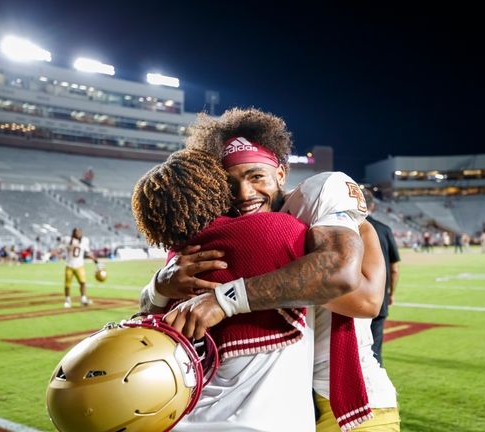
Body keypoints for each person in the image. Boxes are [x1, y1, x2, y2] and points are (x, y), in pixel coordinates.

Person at [142, 108, 398, 431]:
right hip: (289, 405)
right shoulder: (235, 231)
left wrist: (226, 298)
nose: (244, 194)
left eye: (256, 177)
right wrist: (157, 287)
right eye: (230, 184)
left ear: (280, 173)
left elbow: (361, 295)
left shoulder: (316, 196)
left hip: (350, 400)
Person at [132, 149, 316, 431]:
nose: (242, 194)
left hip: (183, 416)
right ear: (215, 188)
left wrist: (156, 287)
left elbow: (146, 311)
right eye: (231, 185)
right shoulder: (278, 230)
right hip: (258, 423)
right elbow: (340, 272)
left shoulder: (175, 261)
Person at [362, 188, 400, 366]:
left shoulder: (345, 229)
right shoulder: (384, 229)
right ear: (373, 206)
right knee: (374, 354)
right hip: (378, 299)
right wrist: (391, 293)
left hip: (351, 301)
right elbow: (394, 268)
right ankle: (373, 392)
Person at [62, 227, 101, 308]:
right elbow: (62, 248)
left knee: (83, 282)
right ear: (73, 233)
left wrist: (96, 262)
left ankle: (83, 299)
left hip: (79, 265)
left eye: (80, 232)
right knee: (67, 285)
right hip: (69, 265)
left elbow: (89, 253)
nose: (79, 233)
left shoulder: (84, 241)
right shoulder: (68, 240)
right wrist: (71, 245)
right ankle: (67, 300)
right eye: (77, 232)